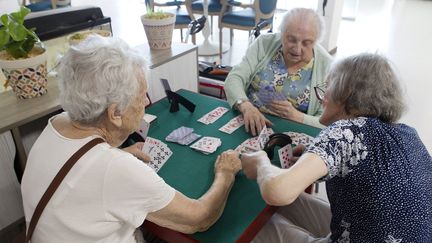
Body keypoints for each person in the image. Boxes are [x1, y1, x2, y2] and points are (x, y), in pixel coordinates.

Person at [21, 35, 242, 243]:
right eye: (141, 98)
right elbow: (199, 218)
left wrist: (119, 153)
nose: (145, 104)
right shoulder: (115, 168)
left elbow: (81, 176)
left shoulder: (57, 123)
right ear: (115, 114)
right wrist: (225, 173)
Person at [241, 53, 432, 242]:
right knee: (287, 202)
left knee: (259, 228)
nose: (322, 98)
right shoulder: (407, 132)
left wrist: (260, 162)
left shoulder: (345, 131)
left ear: (346, 93)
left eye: (327, 88)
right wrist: (314, 159)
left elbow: (277, 191)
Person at [224, 8, 333, 135]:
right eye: (291, 40)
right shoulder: (264, 43)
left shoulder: (328, 66)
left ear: (316, 41)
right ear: (281, 33)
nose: (297, 49)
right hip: (248, 119)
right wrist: (245, 106)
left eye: (306, 43)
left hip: (294, 131)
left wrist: (298, 116)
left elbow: (328, 121)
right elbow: (234, 78)